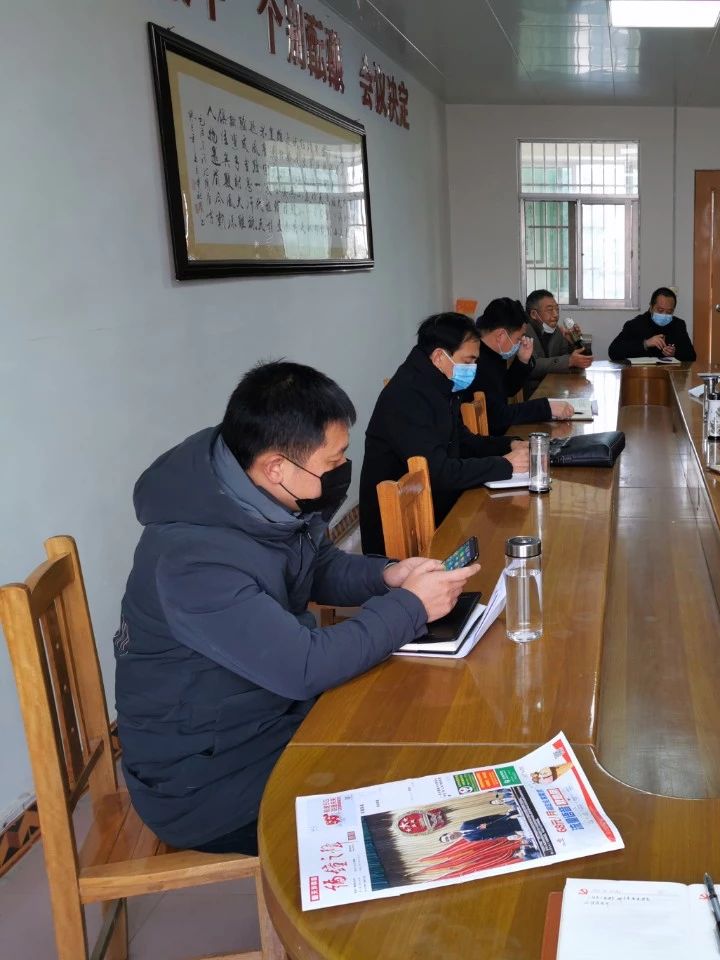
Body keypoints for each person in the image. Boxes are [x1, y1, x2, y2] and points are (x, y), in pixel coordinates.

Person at [113, 361, 479, 856]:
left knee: (412, 731)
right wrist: (410, 605)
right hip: (207, 780)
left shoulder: (252, 492)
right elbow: (305, 666)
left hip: (266, 717)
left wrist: (387, 576)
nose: (341, 470)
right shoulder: (192, 561)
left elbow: (316, 565)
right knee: (411, 815)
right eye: (332, 461)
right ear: (276, 467)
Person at [360, 313, 530, 553]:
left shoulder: (438, 382)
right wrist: (505, 465)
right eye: (468, 361)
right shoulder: (408, 396)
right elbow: (438, 473)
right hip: (400, 536)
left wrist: (509, 445)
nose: (472, 369)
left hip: (437, 506)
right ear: (440, 356)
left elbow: (463, 440)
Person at [469, 297, 575, 434]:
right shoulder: (474, 362)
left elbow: (508, 390)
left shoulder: (494, 352)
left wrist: (522, 361)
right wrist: (546, 408)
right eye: (518, 338)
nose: (520, 342)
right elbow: (497, 416)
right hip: (491, 437)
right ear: (501, 335)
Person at [523, 290, 592, 394]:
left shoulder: (557, 331)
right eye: (550, 310)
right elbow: (532, 366)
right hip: (533, 392)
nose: (556, 315)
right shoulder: (523, 332)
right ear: (533, 314)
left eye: (557, 309)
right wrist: (569, 361)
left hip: (555, 386)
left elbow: (570, 358)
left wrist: (575, 342)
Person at [607, 286, 697, 362]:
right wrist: (645, 344)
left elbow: (691, 356)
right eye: (660, 310)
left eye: (669, 312)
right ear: (651, 307)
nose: (664, 315)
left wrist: (675, 353)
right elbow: (613, 352)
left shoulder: (678, 325)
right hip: (641, 374)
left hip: (668, 374)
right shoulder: (635, 324)